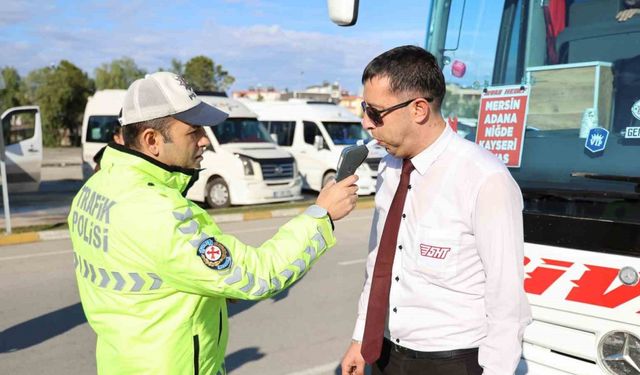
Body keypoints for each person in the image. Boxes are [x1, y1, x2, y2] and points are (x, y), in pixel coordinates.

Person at [68, 71, 359, 375]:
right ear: (152, 140)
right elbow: (259, 275)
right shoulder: (160, 213)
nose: (205, 140)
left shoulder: (96, 189)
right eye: (193, 131)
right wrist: (321, 216)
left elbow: (148, 273)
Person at [340, 46, 531, 375]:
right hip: (384, 352)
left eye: (375, 112)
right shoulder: (389, 168)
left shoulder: (485, 179)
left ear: (418, 109)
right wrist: (360, 336)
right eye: (363, 109)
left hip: (451, 361)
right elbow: (381, 264)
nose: (366, 124)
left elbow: (507, 299)